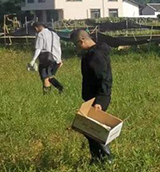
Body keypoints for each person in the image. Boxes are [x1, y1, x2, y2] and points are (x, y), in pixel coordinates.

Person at [70, 28, 115, 162]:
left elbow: (105, 79)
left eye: (75, 44)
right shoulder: (89, 54)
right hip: (92, 98)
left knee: (94, 130)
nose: (76, 48)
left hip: (99, 97)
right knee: (88, 128)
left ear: (82, 40)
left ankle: (107, 158)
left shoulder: (96, 55)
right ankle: (96, 158)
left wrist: (100, 101)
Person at [28, 21, 64, 94]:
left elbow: (39, 48)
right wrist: (59, 59)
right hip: (56, 58)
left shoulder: (40, 34)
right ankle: (58, 89)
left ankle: (52, 91)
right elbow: (58, 47)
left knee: (44, 77)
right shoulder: (54, 34)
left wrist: (33, 60)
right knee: (49, 76)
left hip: (46, 59)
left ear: (36, 28)